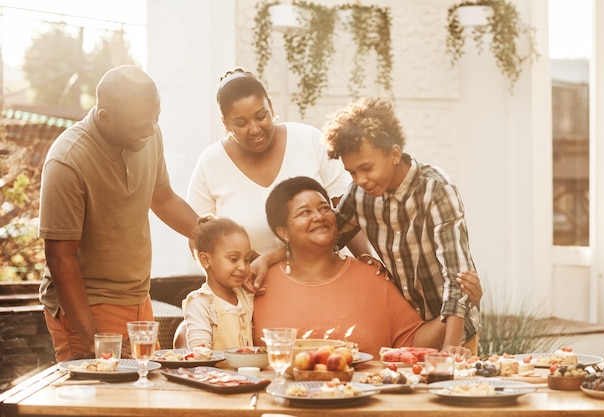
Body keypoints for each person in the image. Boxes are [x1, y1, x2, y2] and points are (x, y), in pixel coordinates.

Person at [38, 65, 199, 362]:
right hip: (89, 307)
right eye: (141, 125)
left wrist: (207, 234)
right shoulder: (67, 161)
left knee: (145, 397)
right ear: (105, 118)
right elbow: (61, 260)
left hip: (138, 298)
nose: (150, 131)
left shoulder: (148, 132)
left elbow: (162, 197)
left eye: (156, 119)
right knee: (98, 404)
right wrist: (95, 339)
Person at [322, 97, 481, 354]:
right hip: (406, 335)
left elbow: (457, 275)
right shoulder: (359, 195)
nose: (360, 180)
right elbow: (325, 241)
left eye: (367, 168)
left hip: (453, 330)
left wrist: (450, 348)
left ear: (394, 154)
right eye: (351, 172)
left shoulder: (436, 188)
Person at [252, 176, 478, 356]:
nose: (319, 216)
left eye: (324, 208)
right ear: (283, 232)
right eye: (305, 212)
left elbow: (414, 341)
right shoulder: (259, 283)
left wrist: (462, 300)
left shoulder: (373, 278)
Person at [186, 68, 368, 282]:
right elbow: (198, 238)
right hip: (253, 291)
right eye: (241, 123)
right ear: (225, 124)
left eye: (261, 116)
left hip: (326, 280)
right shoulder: (211, 163)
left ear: (271, 107)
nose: (254, 129)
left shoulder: (308, 140)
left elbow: (347, 213)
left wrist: (366, 260)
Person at [182, 214, 255, 350]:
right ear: (205, 260)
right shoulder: (201, 303)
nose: (243, 267)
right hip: (213, 371)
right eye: (233, 259)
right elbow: (199, 355)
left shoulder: (245, 296)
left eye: (247, 259)